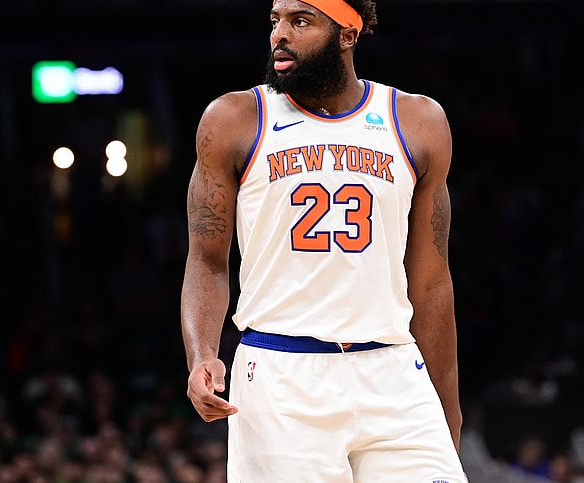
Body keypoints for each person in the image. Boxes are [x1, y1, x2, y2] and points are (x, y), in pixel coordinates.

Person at [180, 0, 466, 480]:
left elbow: (433, 282)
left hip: (392, 370)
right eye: (275, 21)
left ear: (348, 35)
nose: (279, 35)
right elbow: (207, 261)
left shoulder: (418, 122)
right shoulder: (234, 119)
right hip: (281, 376)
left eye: (301, 21)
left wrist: (447, 407)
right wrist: (202, 354)